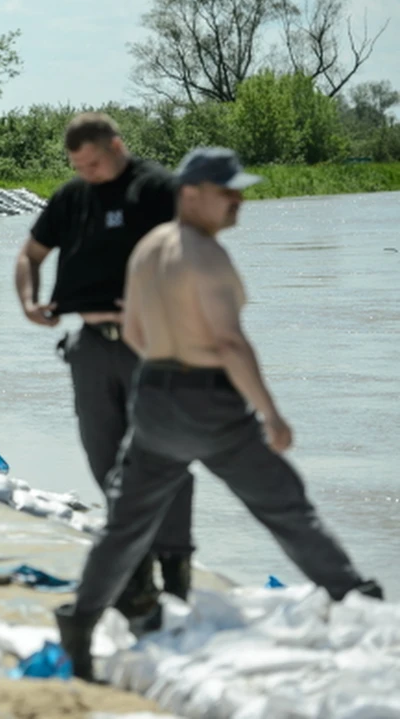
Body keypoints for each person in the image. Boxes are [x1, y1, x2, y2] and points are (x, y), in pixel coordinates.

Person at [53, 147, 384, 681]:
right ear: (191, 194)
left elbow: (135, 333)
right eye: (227, 191)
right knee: (285, 507)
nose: (239, 201)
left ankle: (80, 620)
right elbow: (230, 343)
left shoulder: (146, 249)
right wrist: (271, 414)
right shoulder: (207, 256)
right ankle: (354, 597)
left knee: (125, 524)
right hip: (211, 403)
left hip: (155, 398)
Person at [13, 112, 192, 627]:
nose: (86, 172)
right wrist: (28, 300)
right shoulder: (72, 197)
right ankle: (135, 573)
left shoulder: (157, 189)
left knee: (163, 455)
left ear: (117, 145)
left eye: (92, 162)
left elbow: (193, 255)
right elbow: (29, 255)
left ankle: (173, 564)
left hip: (151, 343)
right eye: (77, 165)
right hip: (90, 346)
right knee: (103, 457)